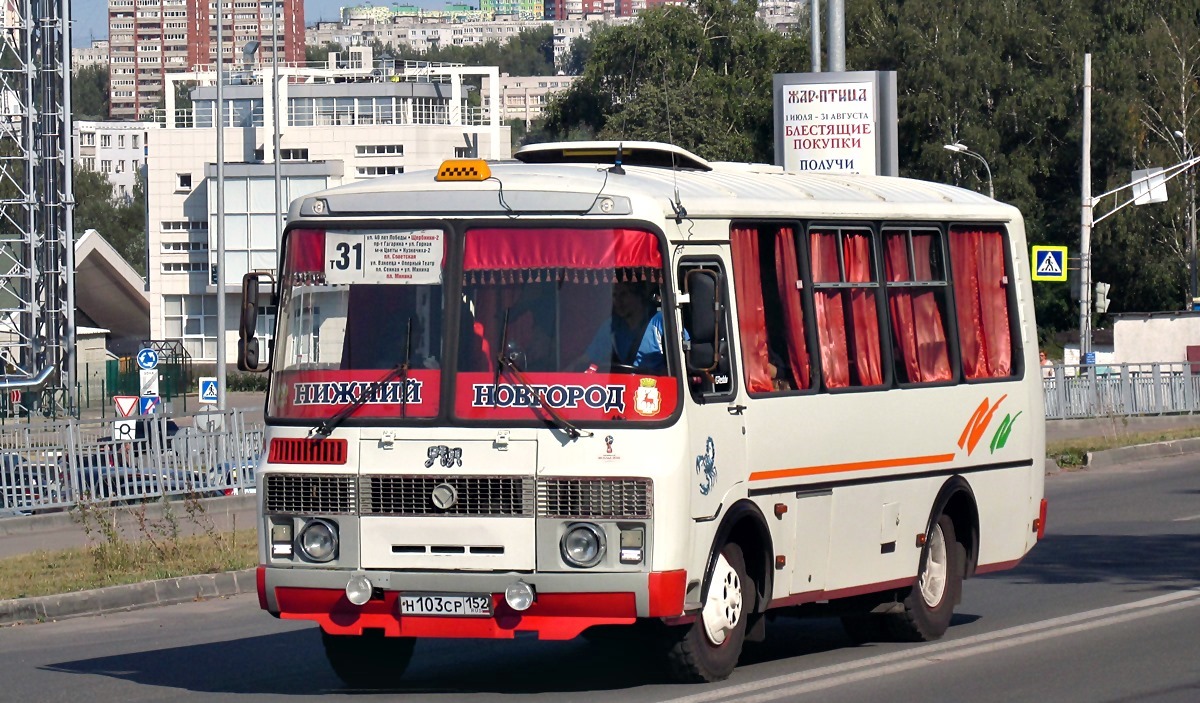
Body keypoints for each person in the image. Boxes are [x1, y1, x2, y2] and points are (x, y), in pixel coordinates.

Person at [579, 280, 673, 374]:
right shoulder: (612, 325)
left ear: (639, 295)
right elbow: (587, 359)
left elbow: (682, 358)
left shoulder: (660, 321)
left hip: (656, 385)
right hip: (626, 385)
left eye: (623, 294)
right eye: (615, 295)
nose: (618, 301)